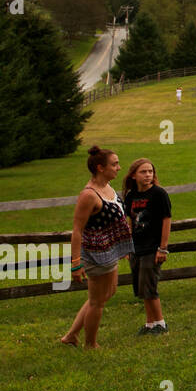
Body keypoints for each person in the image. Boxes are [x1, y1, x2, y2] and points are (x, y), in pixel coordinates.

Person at [60, 147, 134, 349]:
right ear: (101, 168)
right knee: (97, 302)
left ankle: (71, 336)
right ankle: (90, 344)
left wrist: (123, 246)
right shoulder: (89, 195)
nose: (119, 167)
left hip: (111, 251)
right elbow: (77, 230)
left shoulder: (108, 187)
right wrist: (76, 264)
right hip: (95, 254)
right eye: (115, 164)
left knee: (108, 293)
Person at [122, 159, 172, 335]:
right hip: (136, 248)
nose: (148, 175)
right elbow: (129, 220)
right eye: (143, 172)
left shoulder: (159, 194)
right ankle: (149, 324)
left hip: (153, 248)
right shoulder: (130, 196)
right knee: (141, 287)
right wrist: (127, 245)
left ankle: (161, 324)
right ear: (134, 175)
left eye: (150, 171)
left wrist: (162, 248)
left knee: (150, 287)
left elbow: (167, 220)